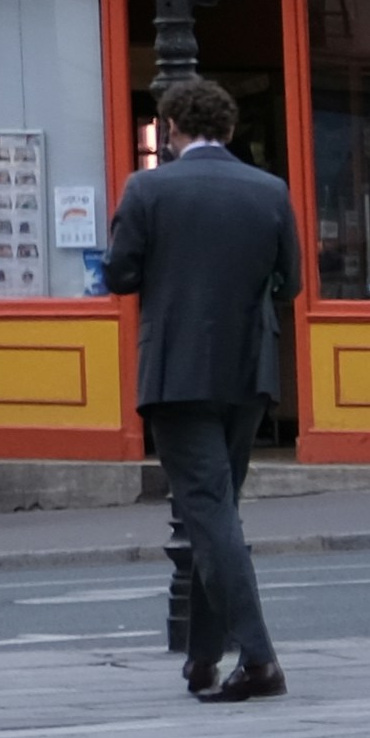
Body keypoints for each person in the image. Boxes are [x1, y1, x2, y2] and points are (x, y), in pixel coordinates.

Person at [100, 74, 298, 701]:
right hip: (247, 370)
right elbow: (290, 282)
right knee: (219, 512)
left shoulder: (148, 188)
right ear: (231, 130)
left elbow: (120, 273)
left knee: (208, 513)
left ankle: (260, 658)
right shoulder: (269, 190)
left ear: (173, 130)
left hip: (178, 371)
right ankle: (204, 656)